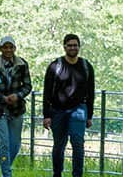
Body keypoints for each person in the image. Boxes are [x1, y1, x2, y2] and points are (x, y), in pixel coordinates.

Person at [43, 34, 94, 177]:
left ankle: (77, 175)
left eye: (75, 45)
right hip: (58, 110)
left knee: (78, 143)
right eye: (70, 45)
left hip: (79, 109)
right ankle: (57, 174)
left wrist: (89, 115)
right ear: (64, 46)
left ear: (79, 47)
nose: (73, 48)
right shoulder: (55, 66)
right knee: (59, 145)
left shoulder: (86, 66)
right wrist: (46, 115)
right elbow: (47, 91)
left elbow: (91, 92)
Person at [0, 36, 32, 177]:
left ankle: (4, 169)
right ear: (1, 48)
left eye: (10, 47)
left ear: (14, 48)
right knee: (4, 144)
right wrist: (3, 98)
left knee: (15, 144)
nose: (8, 50)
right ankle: (7, 174)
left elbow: (27, 86)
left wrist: (18, 95)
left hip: (16, 109)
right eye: (5, 47)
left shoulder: (22, 64)